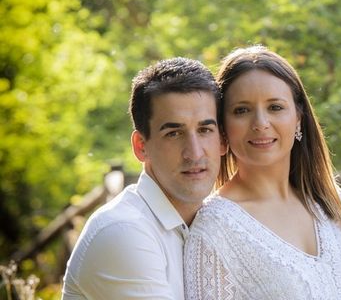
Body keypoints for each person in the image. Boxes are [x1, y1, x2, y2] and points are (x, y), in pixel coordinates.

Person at [184, 45, 341, 299]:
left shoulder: (327, 197)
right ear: (223, 127)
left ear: (299, 117)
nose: (261, 124)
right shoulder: (213, 228)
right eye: (242, 110)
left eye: (275, 107)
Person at [62, 57, 226, 299]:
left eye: (204, 130)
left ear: (223, 140)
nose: (195, 152)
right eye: (174, 133)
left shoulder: (212, 223)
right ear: (141, 146)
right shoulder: (124, 231)